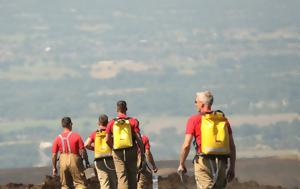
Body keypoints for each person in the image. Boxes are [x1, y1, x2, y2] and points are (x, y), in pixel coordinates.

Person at [178, 91, 236, 189]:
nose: (195, 104)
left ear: (202, 104)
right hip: (221, 163)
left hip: (203, 162)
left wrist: (181, 164)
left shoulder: (194, 120)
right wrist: (232, 167)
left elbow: (186, 145)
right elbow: (232, 146)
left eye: (196, 101)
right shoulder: (223, 120)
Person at [106, 100, 145, 189]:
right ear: (126, 109)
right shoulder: (132, 121)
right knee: (132, 175)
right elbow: (138, 138)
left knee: (121, 176)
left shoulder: (111, 123)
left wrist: (113, 148)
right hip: (131, 150)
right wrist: (142, 152)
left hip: (117, 152)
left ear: (117, 109)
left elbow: (107, 139)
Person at [52, 117, 89, 189]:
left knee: (65, 185)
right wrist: (86, 161)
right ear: (70, 124)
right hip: (74, 160)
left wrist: (54, 167)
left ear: (63, 125)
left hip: (62, 161)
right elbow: (83, 151)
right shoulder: (76, 136)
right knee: (80, 183)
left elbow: (54, 155)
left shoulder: (57, 138)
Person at [84, 114, 117, 189]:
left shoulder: (95, 133)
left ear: (98, 123)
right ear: (108, 122)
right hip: (110, 159)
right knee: (113, 181)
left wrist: (95, 148)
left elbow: (86, 144)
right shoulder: (111, 133)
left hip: (99, 160)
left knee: (104, 182)